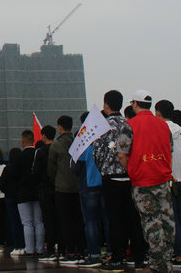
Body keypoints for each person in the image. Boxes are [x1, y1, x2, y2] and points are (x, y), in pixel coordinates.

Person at [117, 90, 174, 273]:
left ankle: (157, 265)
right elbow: (170, 150)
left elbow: (122, 154)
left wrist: (132, 170)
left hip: (142, 180)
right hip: (162, 178)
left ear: (135, 104)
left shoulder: (129, 125)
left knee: (151, 222)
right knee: (167, 221)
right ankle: (166, 261)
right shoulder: (163, 124)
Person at [94, 90, 146, 272]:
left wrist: (104, 168)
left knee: (115, 220)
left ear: (106, 105)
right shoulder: (129, 123)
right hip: (131, 177)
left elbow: (97, 153)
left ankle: (117, 258)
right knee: (134, 219)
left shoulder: (102, 126)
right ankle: (139, 258)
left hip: (111, 178)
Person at [155, 100, 181, 268]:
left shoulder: (161, 130)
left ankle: (178, 254)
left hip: (169, 179)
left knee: (172, 218)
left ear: (158, 112)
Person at [75, 111, 111, 269]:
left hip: (88, 185)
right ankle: (111, 253)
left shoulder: (84, 140)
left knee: (90, 222)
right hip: (106, 183)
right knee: (108, 220)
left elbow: (76, 166)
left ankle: (94, 255)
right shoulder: (106, 136)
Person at [49, 116, 84, 265]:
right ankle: (82, 251)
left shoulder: (56, 145)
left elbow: (51, 169)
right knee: (79, 221)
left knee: (65, 222)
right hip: (79, 187)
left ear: (60, 127)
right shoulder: (79, 141)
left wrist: (56, 181)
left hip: (62, 188)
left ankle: (70, 252)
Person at [12, 130, 45, 257]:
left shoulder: (18, 157)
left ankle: (30, 249)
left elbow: (14, 175)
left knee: (27, 223)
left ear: (23, 141)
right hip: (37, 192)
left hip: (23, 194)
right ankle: (40, 249)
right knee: (39, 222)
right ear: (33, 140)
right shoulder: (39, 154)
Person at [33, 125, 59, 261]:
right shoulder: (59, 148)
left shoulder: (41, 152)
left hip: (44, 189)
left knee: (48, 220)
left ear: (43, 136)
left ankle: (50, 249)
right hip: (58, 187)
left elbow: (36, 172)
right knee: (58, 218)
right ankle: (61, 247)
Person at [0, 147, 26, 255]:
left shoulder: (8, 168)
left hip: (10, 197)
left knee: (14, 222)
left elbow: (1, 183)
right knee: (26, 222)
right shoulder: (23, 168)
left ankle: (17, 246)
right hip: (22, 197)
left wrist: (6, 191)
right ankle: (26, 245)